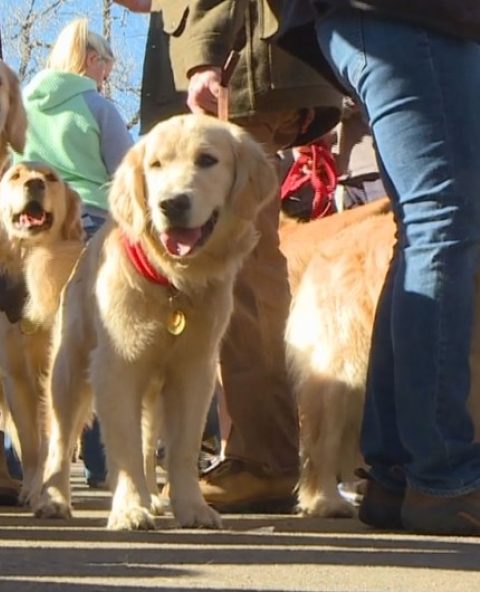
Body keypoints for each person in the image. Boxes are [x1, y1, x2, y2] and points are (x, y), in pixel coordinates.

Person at [128, 0, 342, 512]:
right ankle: (249, 451)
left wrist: (204, 50)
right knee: (226, 265)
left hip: (237, 62)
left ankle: (264, 458)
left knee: (241, 262)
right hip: (234, 58)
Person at [276, 1, 480, 535]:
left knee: (425, 225)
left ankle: (398, 476)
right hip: (410, 14)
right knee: (441, 221)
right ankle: (443, 475)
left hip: (389, 17)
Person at [12, 17, 134, 488]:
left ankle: (26, 460)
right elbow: (126, 176)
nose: (106, 73)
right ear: (90, 59)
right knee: (99, 339)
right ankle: (105, 465)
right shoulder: (97, 107)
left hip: (26, 234)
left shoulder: (20, 103)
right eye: (105, 62)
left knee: (25, 350)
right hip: (91, 228)